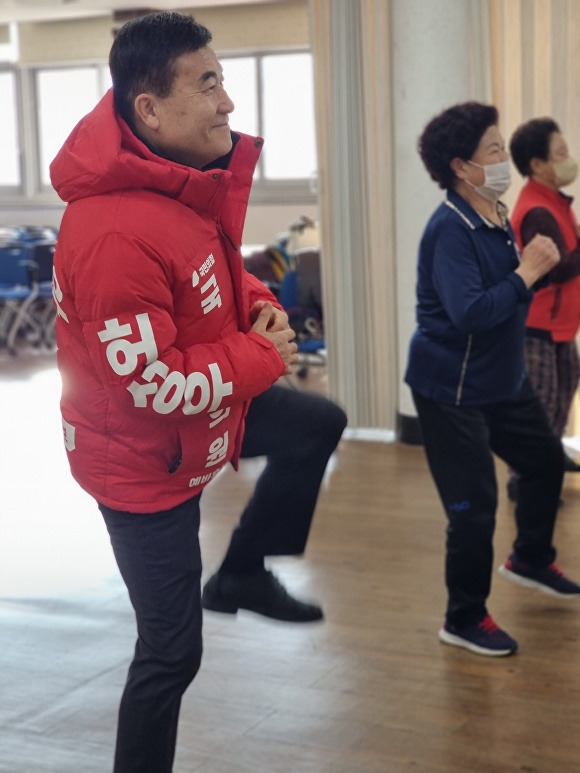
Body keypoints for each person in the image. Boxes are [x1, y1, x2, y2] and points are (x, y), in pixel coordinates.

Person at [50, 11, 347, 773]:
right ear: (149, 110)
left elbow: (208, 273)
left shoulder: (172, 185)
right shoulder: (115, 231)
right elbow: (153, 382)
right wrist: (260, 353)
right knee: (171, 654)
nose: (227, 103)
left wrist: (254, 301)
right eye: (208, 83)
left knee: (316, 423)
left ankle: (243, 570)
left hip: (203, 419)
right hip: (145, 465)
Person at [404, 101, 580, 659]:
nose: (505, 159)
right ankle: (464, 617)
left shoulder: (497, 214)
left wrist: (523, 269)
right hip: (450, 389)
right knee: (473, 508)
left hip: (503, 379)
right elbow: (471, 313)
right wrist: (529, 271)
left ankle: (528, 557)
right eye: (495, 151)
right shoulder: (450, 229)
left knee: (547, 460)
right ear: (462, 166)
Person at [507, 118, 580, 502]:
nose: (570, 160)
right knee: (541, 407)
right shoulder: (537, 210)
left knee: (561, 398)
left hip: (561, 324)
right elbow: (557, 267)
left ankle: (548, 462)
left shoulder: (554, 202)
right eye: (562, 153)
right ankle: (527, 480)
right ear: (537, 165)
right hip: (539, 325)